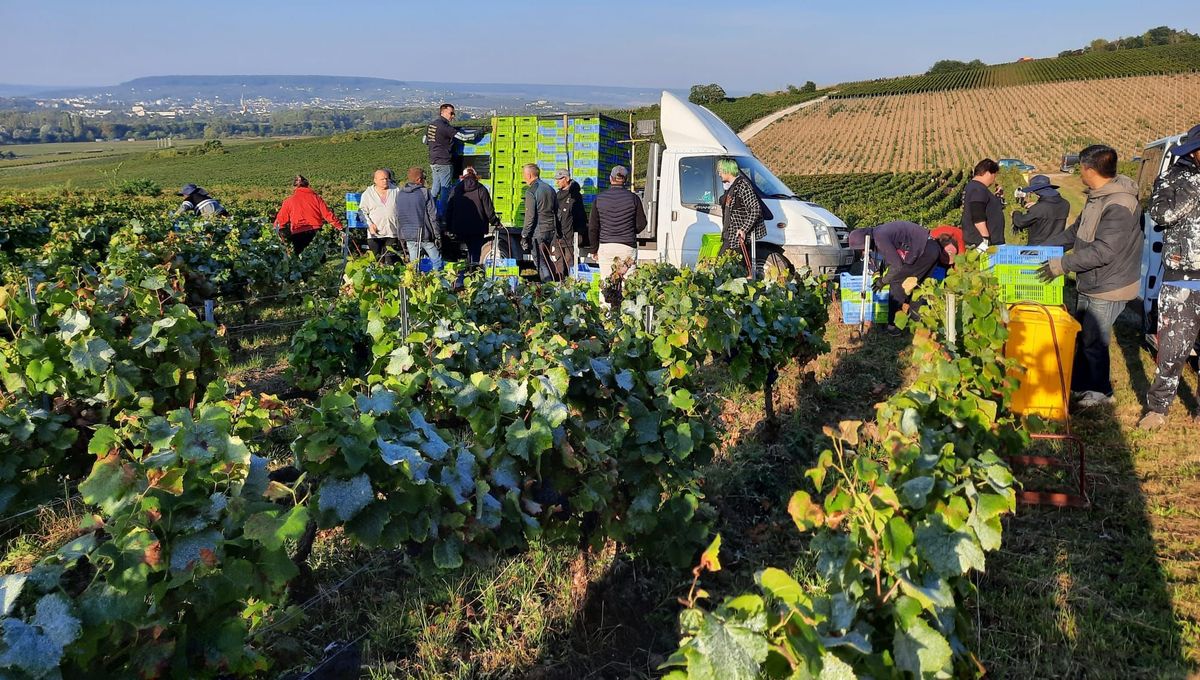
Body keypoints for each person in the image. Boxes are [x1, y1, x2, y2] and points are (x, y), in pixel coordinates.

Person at [1038, 144, 1143, 409]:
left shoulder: (1119, 203)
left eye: (1081, 168)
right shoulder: (1098, 195)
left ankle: (1101, 392)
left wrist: (1062, 264)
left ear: (1089, 169)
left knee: (1095, 339)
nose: (1079, 173)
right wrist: (1045, 248)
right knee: (1084, 334)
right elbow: (1076, 232)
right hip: (1092, 279)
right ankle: (1082, 385)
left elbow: (1104, 251)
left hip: (1109, 282)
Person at [1139, 124, 1200, 429]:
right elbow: (1160, 216)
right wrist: (1193, 190)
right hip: (1181, 279)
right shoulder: (1174, 179)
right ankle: (1157, 409)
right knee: (1174, 349)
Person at [849, 221, 956, 334]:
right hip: (931, 249)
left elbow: (896, 266)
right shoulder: (880, 233)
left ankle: (893, 326)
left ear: (864, 243)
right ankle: (918, 325)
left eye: (861, 249)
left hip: (924, 251)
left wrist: (882, 281)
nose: (863, 252)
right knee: (918, 287)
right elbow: (893, 258)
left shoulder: (880, 238)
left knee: (897, 284)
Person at [587, 165, 646, 284]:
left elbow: (593, 227)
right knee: (627, 284)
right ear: (626, 180)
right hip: (627, 247)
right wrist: (629, 231)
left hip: (606, 246)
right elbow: (642, 223)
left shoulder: (599, 198)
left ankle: (605, 303)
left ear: (610, 178)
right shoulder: (633, 198)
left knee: (606, 282)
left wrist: (594, 249)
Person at [426, 103, 477, 221]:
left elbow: (425, 140)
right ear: (443, 112)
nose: (453, 116)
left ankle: (429, 213)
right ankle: (444, 216)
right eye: (451, 113)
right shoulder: (444, 126)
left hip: (433, 160)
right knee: (445, 190)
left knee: (435, 188)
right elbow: (464, 137)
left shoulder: (431, 125)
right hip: (444, 161)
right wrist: (478, 133)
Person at [273, 175, 343, 256]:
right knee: (319, 259)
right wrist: (339, 226)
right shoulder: (316, 198)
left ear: (295, 187)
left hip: (298, 232)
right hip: (316, 232)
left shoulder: (289, 201)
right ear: (307, 185)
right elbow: (328, 214)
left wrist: (278, 229)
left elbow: (281, 219)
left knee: (301, 261)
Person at [717, 158, 767, 270]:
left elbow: (755, 208)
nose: (719, 173)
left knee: (723, 267)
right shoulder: (732, 186)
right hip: (729, 235)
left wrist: (743, 229)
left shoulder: (743, 185)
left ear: (727, 169)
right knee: (728, 267)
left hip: (736, 236)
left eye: (720, 170)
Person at [445, 167, 498, 264]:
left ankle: (464, 272)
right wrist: (495, 222)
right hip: (477, 228)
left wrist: (448, 226)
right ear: (475, 176)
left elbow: (449, 209)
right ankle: (474, 272)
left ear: (462, 177)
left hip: (460, 227)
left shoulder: (456, 190)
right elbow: (488, 210)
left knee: (463, 254)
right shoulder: (481, 189)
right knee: (475, 253)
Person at [519, 164, 560, 282]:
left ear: (529, 175)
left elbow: (530, 217)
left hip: (538, 232)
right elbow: (557, 212)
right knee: (547, 260)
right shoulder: (550, 188)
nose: (524, 177)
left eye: (524, 175)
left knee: (541, 263)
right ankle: (554, 286)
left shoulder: (531, 191)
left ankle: (548, 289)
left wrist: (524, 235)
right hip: (551, 230)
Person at [397, 166, 442, 270]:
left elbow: (398, 216)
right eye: (424, 178)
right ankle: (439, 282)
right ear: (419, 180)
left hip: (408, 235)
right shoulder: (424, 192)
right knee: (437, 260)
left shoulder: (400, 194)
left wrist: (401, 236)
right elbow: (433, 216)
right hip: (423, 234)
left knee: (414, 264)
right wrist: (437, 235)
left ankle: (415, 284)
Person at [357, 168, 403, 265]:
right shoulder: (368, 194)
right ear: (375, 180)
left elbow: (402, 209)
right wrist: (369, 225)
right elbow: (362, 212)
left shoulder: (396, 190)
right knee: (375, 259)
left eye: (387, 178)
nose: (385, 181)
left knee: (390, 260)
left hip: (392, 232)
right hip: (375, 233)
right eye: (382, 179)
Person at [1011, 175, 1070, 246]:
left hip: (1038, 249)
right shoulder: (1065, 204)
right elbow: (1050, 209)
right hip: (1056, 247)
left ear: (1038, 192)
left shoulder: (1038, 208)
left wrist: (1015, 213)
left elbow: (1020, 222)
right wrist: (1038, 204)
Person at [961, 159, 1005, 250]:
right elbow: (977, 214)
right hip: (982, 242)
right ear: (988, 173)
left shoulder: (973, 187)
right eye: (994, 175)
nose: (993, 180)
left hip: (979, 240)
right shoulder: (978, 189)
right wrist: (985, 238)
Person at [555, 169, 589, 253]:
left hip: (571, 239)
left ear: (566, 179)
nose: (557, 182)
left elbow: (581, 216)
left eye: (559, 179)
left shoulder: (575, 196)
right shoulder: (557, 195)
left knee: (570, 263)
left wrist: (579, 236)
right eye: (556, 179)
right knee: (558, 264)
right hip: (558, 238)